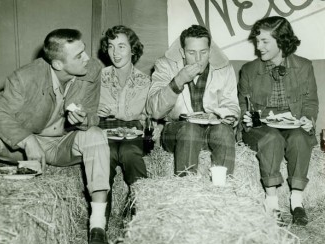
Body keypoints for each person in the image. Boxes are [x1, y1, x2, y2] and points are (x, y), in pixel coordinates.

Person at [0, 29, 111, 244]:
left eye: (84, 51)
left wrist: (84, 120)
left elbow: (93, 115)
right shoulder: (25, 77)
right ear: (58, 64)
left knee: (96, 135)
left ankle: (98, 224)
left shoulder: (92, 70)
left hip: (64, 144)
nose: (87, 58)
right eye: (78, 56)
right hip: (27, 146)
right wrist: (26, 140)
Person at [238, 16, 319, 226]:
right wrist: (246, 117)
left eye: (265, 41)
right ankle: (272, 201)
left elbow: (310, 102)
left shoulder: (304, 66)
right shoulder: (248, 70)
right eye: (257, 40)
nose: (258, 46)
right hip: (261, 127)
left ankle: (297, 202)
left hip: (293, 124)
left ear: (281, 42)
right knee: (271, 137)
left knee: (301, 138)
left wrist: (308, 120)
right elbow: (242, 105)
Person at [147, 24, 240, 176]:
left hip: (213, 130)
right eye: (191, 53)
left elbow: (231, 105)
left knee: (224, 131)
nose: (198, 59)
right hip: (177, 132)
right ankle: (186, 187)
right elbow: (154, 111)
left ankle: (224, 187)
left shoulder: (224, 68)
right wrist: (178, 81)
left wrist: (227, 116)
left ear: (210, 51)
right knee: (191, 130)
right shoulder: (165, 65)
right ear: (182, 52)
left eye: (203, 52)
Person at [98, 25, 158, 225]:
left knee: (130, 153)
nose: (115, 53)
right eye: (111, 46)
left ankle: (140, 216)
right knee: (103, 158)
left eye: (122, 46)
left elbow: (144, 114)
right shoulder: (99, 77)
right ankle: (99, 223)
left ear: (133, 49)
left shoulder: (144, 81)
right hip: (104, 128)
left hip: (133, 130)